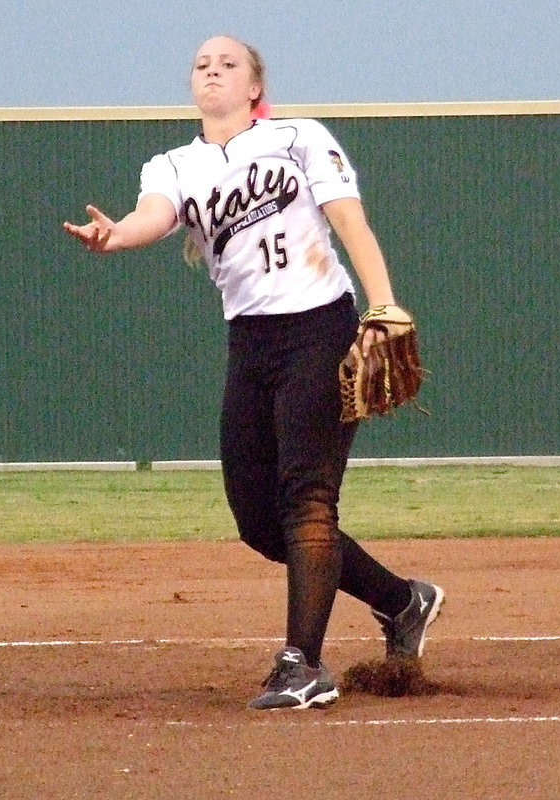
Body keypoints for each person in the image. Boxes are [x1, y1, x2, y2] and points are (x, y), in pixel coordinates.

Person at [64, 35, 443, 711]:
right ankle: (402, 601)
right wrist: (117, 233)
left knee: (308, 500)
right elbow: (154, 214)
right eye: (202, 65)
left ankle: (304, 665)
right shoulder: (176, 164)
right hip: (251, 344)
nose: (212, 72)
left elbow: (348, 221)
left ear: (253, 86)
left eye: (227, 64)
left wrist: (383, 303)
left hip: (317, 328)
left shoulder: (298, 138)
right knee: (260, 523)